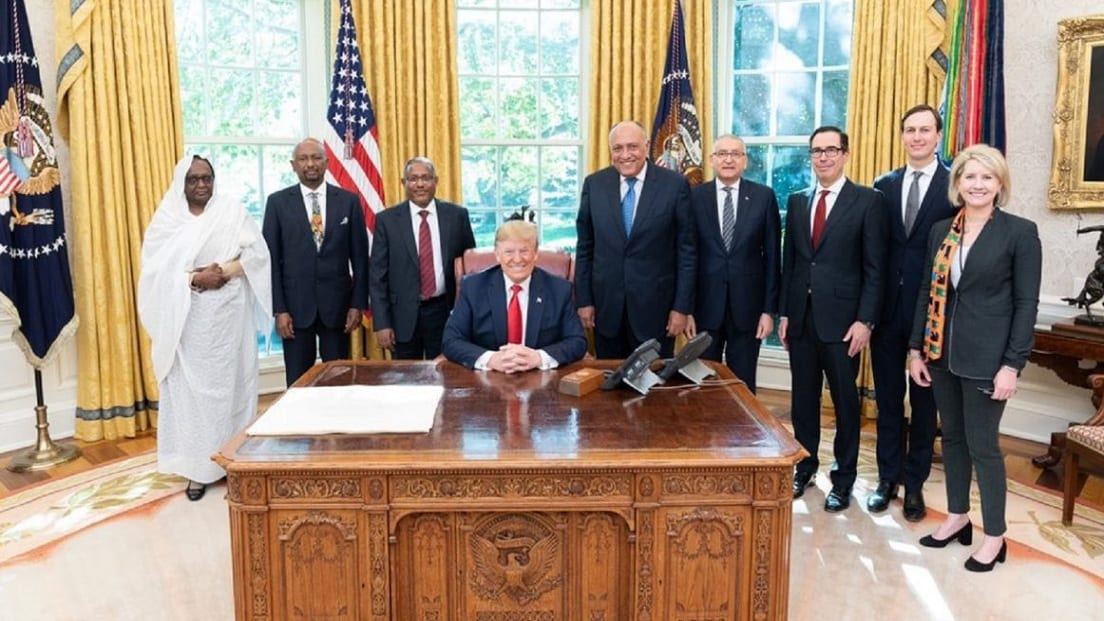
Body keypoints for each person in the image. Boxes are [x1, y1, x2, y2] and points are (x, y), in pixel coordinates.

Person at [909, 144, 1041, 572]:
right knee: (951, 439)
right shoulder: (942, 231)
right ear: (958, 183)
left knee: (983, 446)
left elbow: (1026, 304)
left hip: (989, 358)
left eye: (987, 177)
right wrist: (915, 349)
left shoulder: (1020, 232)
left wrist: (1012, 365)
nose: (977, 184)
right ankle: (957, 516)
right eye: (970, 176)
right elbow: (927, 292)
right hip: (941, 353)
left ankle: (995, 536)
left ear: (1000, 184)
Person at [138, 155, 272, 501]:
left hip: (230, 322)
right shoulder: (167, 220)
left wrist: (222, 272)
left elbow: (257, 256)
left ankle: (233, 462)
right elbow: (154, 275)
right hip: (186, 324)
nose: (201, 185)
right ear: (181, 183)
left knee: (234, 390)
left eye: (207, 178)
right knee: (192, 397)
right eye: (193, 179)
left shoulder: (231, 211)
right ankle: (197, 470)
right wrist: (196, 278)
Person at [779, 126, 887, 513]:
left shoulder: (868, 201)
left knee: (844, 404)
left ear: (845, 154)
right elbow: (791, 262)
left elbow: (875, 269)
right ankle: (805, 467)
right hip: (802, 320)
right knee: (803, 402)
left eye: (830, 150)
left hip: (844, 325)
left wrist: (865, 321)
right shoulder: (797, 201)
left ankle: (843, 478)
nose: (823, 157)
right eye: (816, 151)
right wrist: (786, 313)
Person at [868, 105, 958, 521]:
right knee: (888, 400)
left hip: (934, 313)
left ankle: (915, 483)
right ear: (902, 136)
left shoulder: (954, 186)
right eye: (910, 130)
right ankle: (887, 477)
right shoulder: (883, 186)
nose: (917, 137)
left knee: (924, 405)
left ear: (938, 136)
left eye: (925, 130)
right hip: (887, 311)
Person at [575, 120, 696, 358]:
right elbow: (585, 248)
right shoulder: (594, 184)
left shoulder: (674, 185)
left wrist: (681, 308)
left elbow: (687, 252)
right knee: (610, 379)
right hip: (607, 311)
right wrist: (584, 301)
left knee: (654, 379)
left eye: (632, 146)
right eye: (618, 148)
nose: (625, 155)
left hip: (657, 312)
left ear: (646, 146)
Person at [262, 138, 370, 387]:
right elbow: (271, 263)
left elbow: (360, 259)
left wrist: (357, 304)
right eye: (303, 159)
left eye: (316, 157)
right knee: (298, 384)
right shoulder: (277, 203)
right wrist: (279, 310)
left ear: (327, 162)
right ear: (293, 165)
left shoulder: (349, 201)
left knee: (339, 380)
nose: (310, 164)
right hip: (295, 311)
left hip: (338, 310)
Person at [686, 134, 780, 392]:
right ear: (712, 160)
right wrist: (686, 309)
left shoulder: (763, 197)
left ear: (745, 161)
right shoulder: (694, 197)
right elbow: (687, 256)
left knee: (743, 385)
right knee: (704, 385)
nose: (728, 159)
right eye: (722, 154)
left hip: (748, 310)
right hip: (704, 310)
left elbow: (772, 258)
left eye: (735, 154)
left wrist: (768, 311)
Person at [442, 220, 587, 371]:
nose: (517, 259)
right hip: (488, 376)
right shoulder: (473, 287)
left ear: (535, 254)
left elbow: (577, 341)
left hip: (540, 376)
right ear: (497, 255)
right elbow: (451, 340)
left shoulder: (559, 289)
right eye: (509, 252)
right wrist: (490, 359)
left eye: (524, 251)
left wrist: (539, 357)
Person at [370, 157, 476, 359]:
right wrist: (382, 323)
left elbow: (470, 267)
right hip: (402, 316)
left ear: (436, 181)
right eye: (413, 179)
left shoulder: (457, 216)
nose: (420, 184)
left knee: (446, 373)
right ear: (404, 183)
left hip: (446, 312)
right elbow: (377, 276)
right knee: (407, 376)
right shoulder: (387, 220)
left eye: (426, 178)